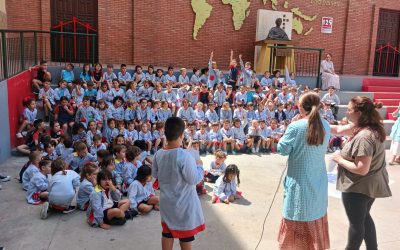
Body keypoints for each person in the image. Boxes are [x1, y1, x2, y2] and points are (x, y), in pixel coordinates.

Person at [330, 96, 391, 250]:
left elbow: (361, 168)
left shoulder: (364, 136)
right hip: (369, 187)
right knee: (364, 219)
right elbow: (336, 130)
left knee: (356, 225)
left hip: (358, 188)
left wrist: (339, 159)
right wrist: (312, 121)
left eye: (349, 110)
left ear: (359, 113)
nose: (347, 112)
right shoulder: (371, 127)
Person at [277, 92, 330, 250]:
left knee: (296, 221)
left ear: (301, 108)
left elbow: (282, 149)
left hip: (299, 184)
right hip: (318, 182)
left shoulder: (296, 126)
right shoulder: (325, 125)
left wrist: (288, 129)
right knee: (314, 216)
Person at [152, 117, 205, 250]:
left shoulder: (158, 154)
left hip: (166, 203)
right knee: (185, 236)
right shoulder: (185, 156)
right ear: (182, 135)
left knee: (167, 233)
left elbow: (155, 175)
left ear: (165, 134)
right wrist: (199, 167)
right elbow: (193, 179)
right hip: (183, 204)